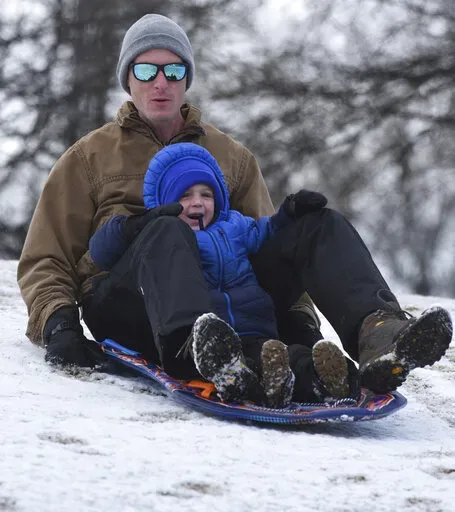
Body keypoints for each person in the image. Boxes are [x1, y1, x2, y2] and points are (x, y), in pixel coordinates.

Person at [17, 14, 452, 403]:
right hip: (132, 304)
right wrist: (59, 324)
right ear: (128, 79)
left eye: (173, 70)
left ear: (187, 78)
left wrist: (299, 324)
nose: (160, 82)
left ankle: (380, 335)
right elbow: (45, 257)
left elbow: (264, 241)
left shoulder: (231, 157)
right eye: (146, 70)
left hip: (229, 303)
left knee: (315, 223)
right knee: (166, 227)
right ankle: (199, 348)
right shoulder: (88, 158)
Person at [89, 142, 357, 407]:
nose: (197, 202)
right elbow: (101, 251)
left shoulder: (235, 225)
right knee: (242, 360)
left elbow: (270, 234)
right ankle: (227, 368)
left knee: (282, 357)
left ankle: (319, 379)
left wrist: (289, 213)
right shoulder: (163, 237)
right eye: (185, 195)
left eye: (206, 195)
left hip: (252, 330)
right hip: (210, 337)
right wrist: (139, 225)